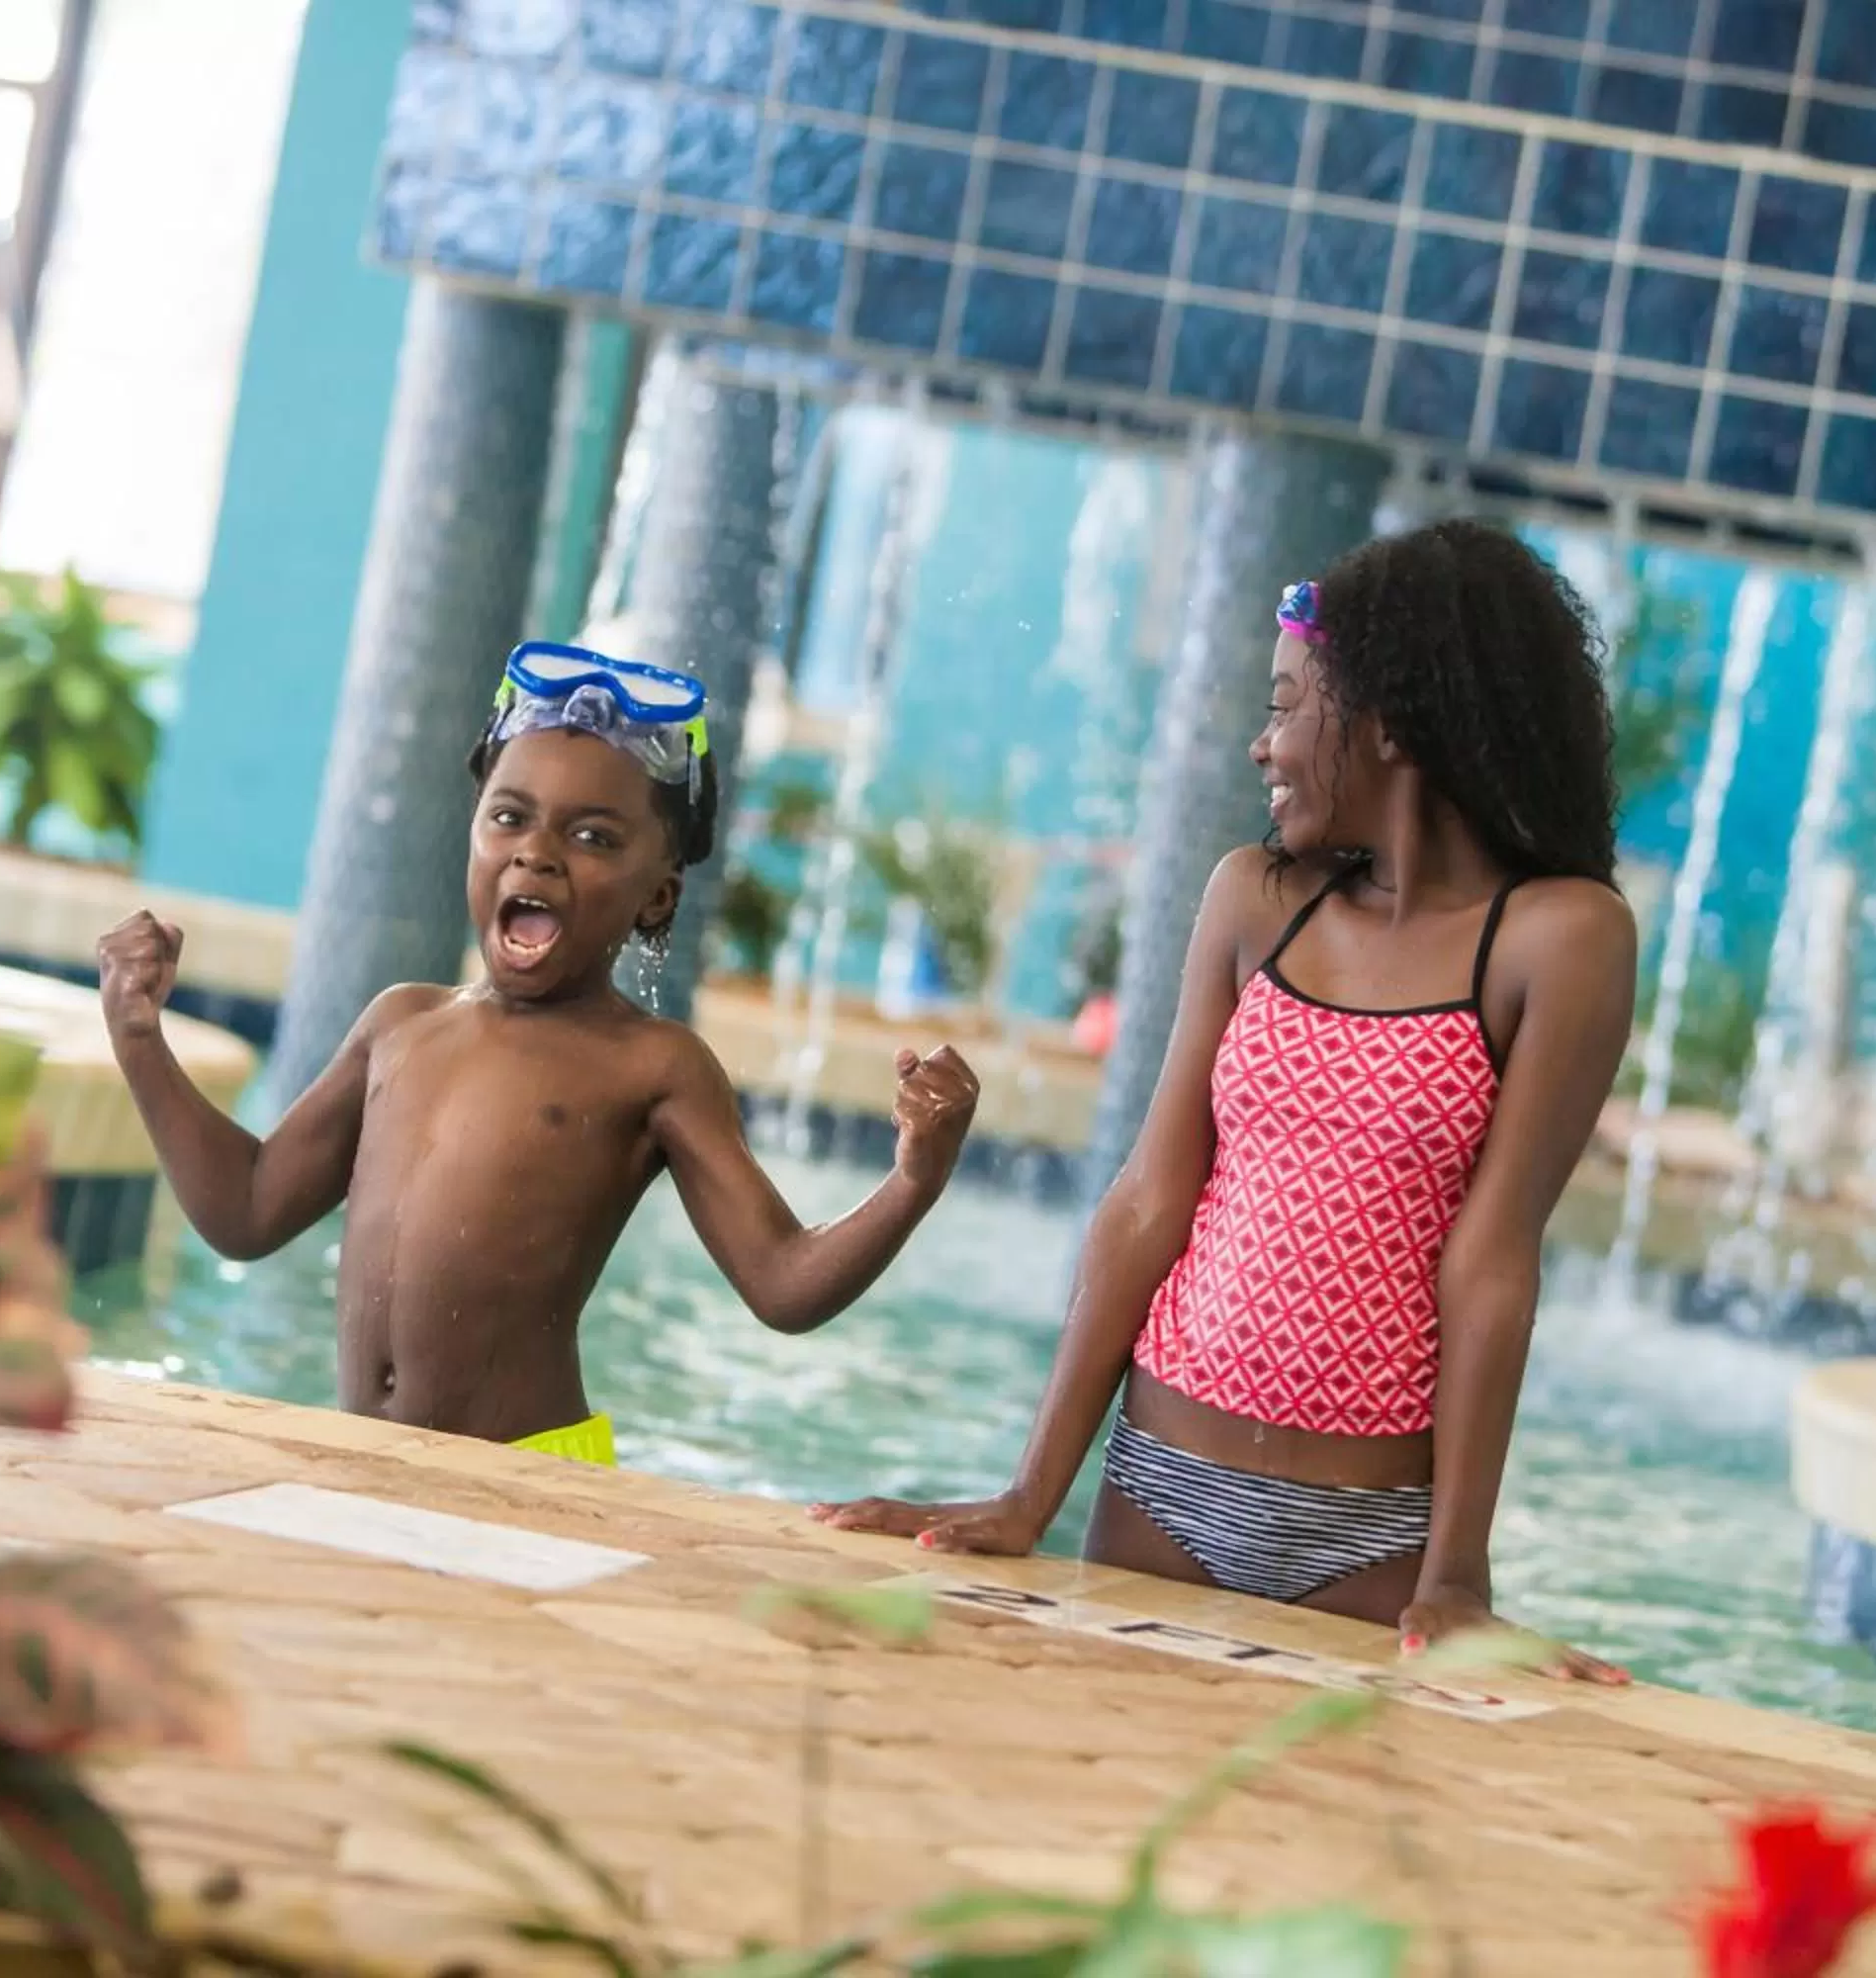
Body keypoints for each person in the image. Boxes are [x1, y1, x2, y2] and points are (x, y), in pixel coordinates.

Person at [816, 520, 1637, 1680]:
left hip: (1372, 1531)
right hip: (1161, 1481)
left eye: (1286, 706)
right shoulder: (1256, 899)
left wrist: (1456, 1571)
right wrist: (1030, 1492)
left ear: (1390, 721)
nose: (1262, 746)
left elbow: (1492, 1260)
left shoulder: (1558, 938)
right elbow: (1151, 1198)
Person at [98, 642, 981, 1466]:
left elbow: (782, 1285)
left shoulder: (652, 1065)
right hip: (368, 1462)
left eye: (593, 837)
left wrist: (913, 1179)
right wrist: (139, 1037)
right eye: (509, 817)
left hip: (532, 1475)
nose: (537, 854)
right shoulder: (400, 1024)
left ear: (657, 897)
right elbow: (247, 1212)